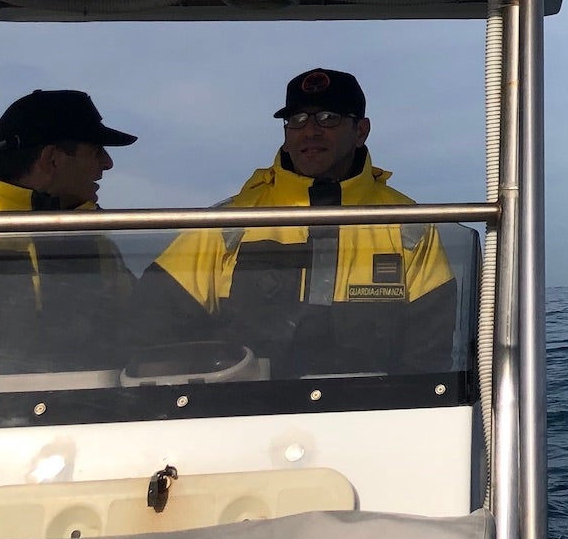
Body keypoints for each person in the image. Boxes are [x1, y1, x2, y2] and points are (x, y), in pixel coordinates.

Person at [135, 68, 455, 377]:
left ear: (361, 131)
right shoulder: (231, 222)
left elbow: (429, 357)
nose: (310, 130)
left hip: (372, 420)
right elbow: (154, 325)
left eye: (329, 118)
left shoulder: (411, 226)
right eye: (297, 119)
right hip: (244, 417)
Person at [0, 90, 139, 375]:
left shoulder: (99, 244)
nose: (107, 163)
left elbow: (142, 335)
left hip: (98, 414)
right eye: (96, 151)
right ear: (51, 159)